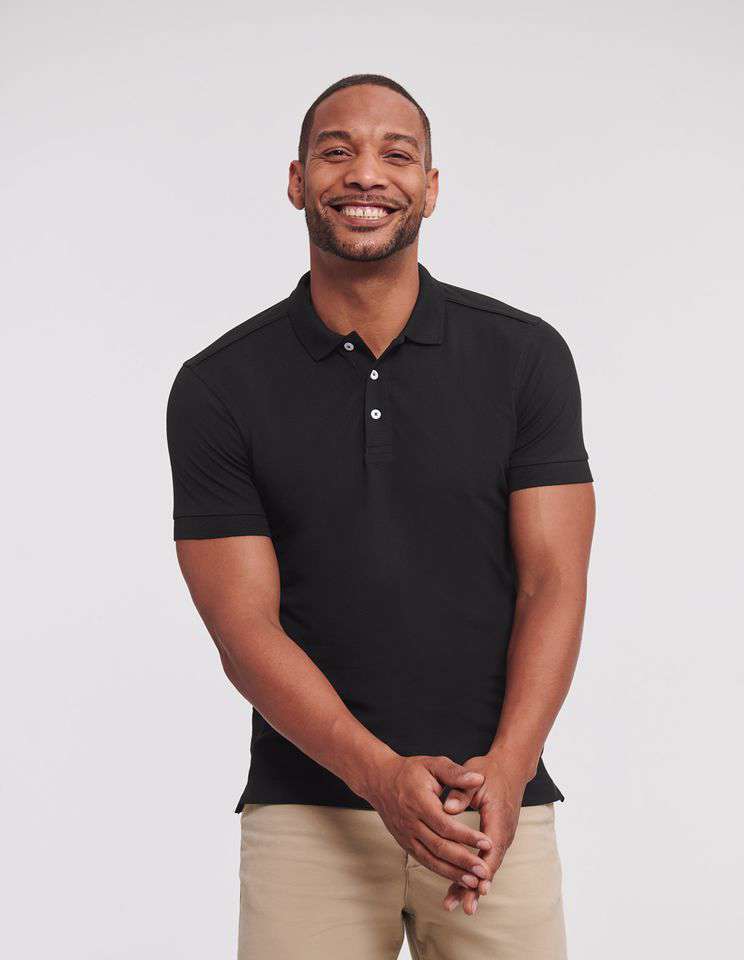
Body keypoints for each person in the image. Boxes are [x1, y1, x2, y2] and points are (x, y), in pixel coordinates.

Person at [166, 72, 595, 960]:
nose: (366, 173)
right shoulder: (218, 387)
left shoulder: (525, 357)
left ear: (429, 189)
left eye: (397, 155)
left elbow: (553, 581)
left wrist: (510, 769)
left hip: (492, 806)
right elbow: (243, 628)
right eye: (337, 151)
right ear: (297, 181)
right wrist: (378, 776)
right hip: (307, 813)